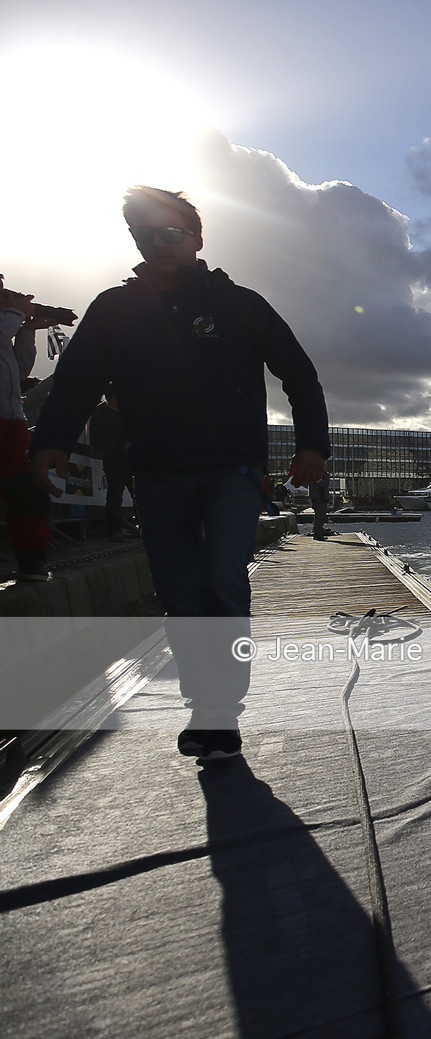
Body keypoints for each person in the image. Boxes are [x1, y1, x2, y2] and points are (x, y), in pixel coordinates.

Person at [30, 187, 330, 762]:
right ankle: (204, 704)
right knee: (179, 593)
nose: (158, 242)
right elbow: (74, 385)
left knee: (221, 578)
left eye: (171, 233)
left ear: (197, 239)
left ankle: (221, 712)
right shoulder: (113, 310)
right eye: (145, 233)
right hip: (157, 471)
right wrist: (51, 444)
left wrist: (312, 444)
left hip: (232, 469)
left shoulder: (241, 305)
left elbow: (300, 374)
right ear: (135, 240)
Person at [1, 281, 54, 581]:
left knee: (27, 490)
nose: (6, 298)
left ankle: (32, 559)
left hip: (13, 421)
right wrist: (14, 314)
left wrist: (26, 330)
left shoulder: (5, 328)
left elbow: (20, 368)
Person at [88, 388, 133, 540]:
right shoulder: (101, 414)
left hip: (131, 459)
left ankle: (142, 525)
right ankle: (115, 528)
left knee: (138, 494)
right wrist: (118, 447)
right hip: (114, 459)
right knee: (115, 494)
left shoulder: (126, 413)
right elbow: (96, 440)